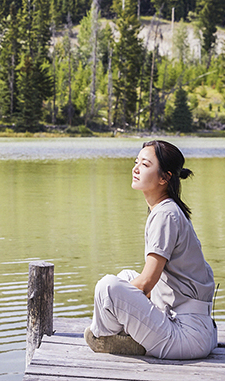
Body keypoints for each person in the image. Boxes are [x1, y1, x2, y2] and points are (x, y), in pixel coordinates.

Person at [85, 140, 218, 360]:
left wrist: (114, 302)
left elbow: (147, 283)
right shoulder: (167, 209)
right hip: (195, 329)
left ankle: (103, 336)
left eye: (145, 165)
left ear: (164, 177)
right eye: (136, 162)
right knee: (125, 277)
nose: (135, 169)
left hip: (186, 335)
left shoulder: (165, 214)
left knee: (107, 288)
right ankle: (119, 334)